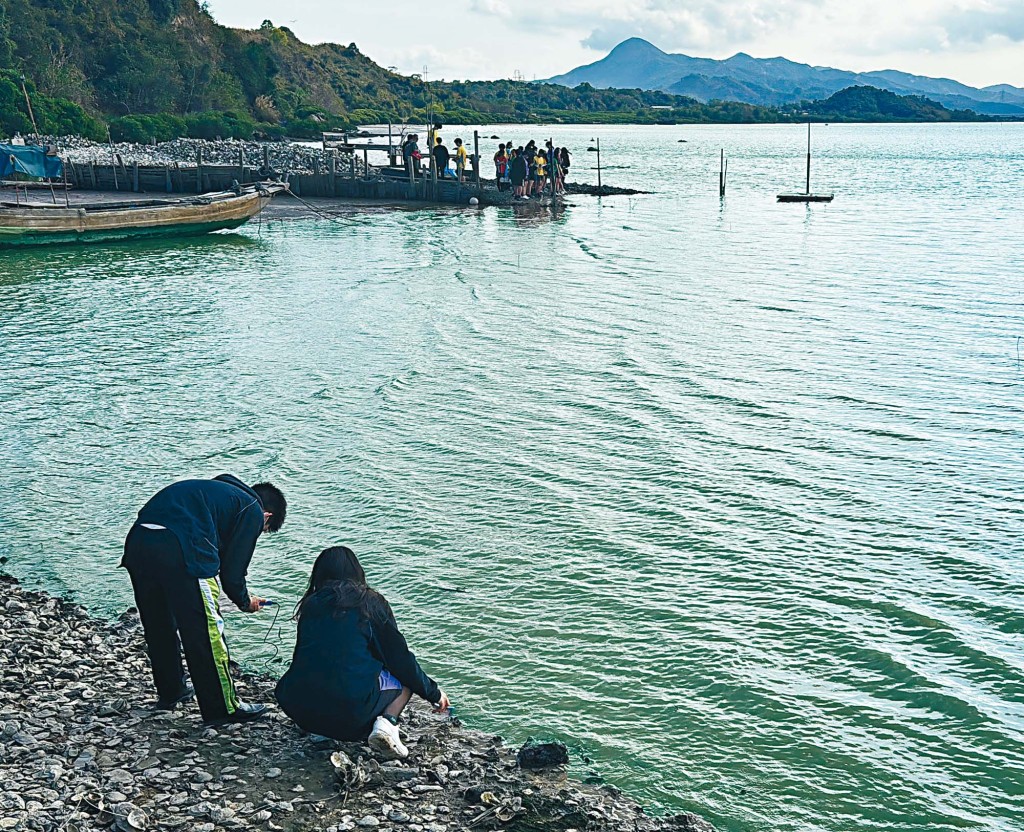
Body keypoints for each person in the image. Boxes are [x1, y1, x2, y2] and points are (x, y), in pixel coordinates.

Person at [121, 475, 287, 725]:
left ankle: (172, 691)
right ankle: (222, 709)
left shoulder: (217, 493)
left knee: (160, 625)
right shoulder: (251, 509)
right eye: (261, 532)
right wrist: (245, 602)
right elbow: (232, 574)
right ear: (267, 517)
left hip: (138, 545)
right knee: (207, 634)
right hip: (181, 551)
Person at [275, 546, 450, 758]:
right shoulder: (370, 603)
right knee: (403, 678)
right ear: (357, 572)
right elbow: (400, 659)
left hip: (298, 707)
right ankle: (387, 724)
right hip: (351, 718)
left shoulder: (311, 604)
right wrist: (434, 692)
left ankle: (322, 729)